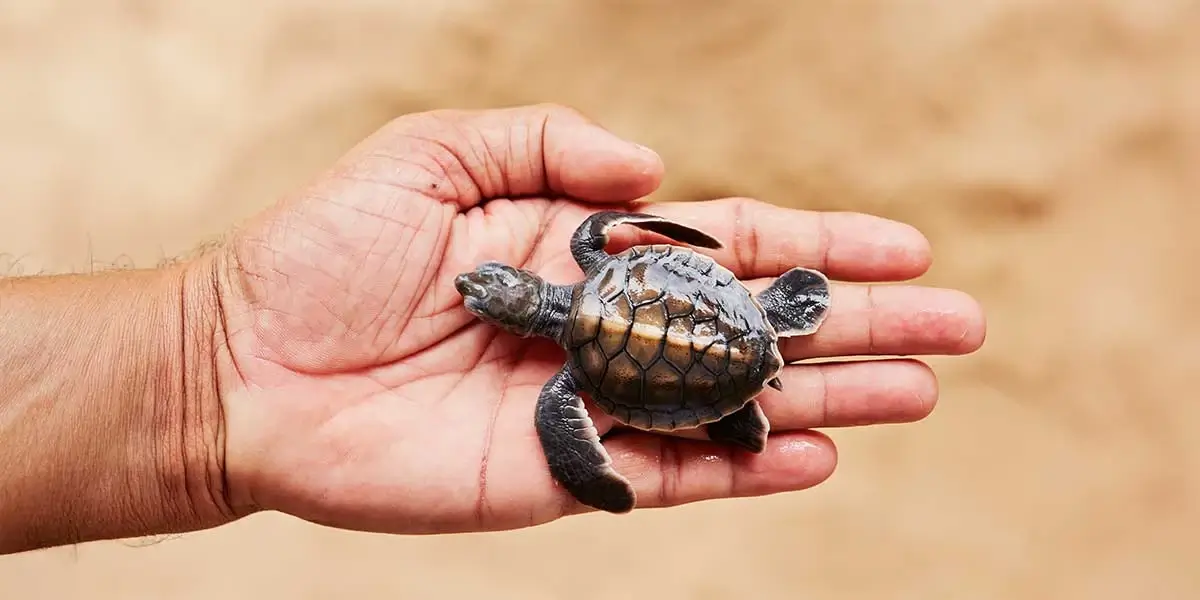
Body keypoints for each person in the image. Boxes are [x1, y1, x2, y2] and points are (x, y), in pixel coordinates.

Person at [0, 104, 985, 555]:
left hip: (673, 331)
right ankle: (746, 379)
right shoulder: (603, 267)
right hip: (689, 300)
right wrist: (201, 352)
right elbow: (623, 238)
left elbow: (585, 422)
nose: (489, 293)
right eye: (494, 292)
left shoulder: (572, 383)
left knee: (722, 397)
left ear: (528, 302)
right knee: (723, 371)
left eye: (494, 293)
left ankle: (742, 396)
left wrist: (597, 472)